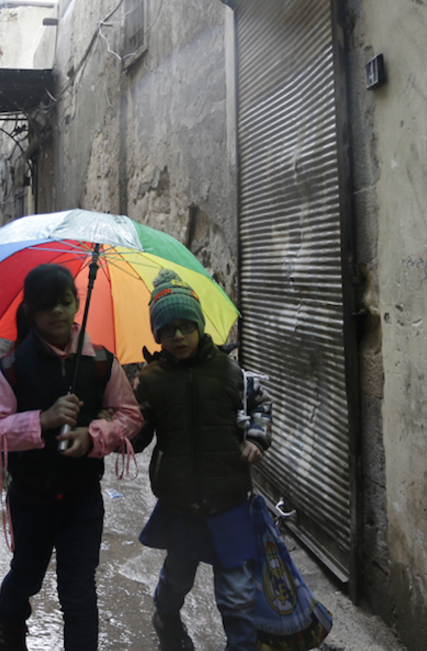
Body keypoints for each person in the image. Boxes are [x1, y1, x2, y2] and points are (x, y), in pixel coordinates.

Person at [0, 263, 144, 651]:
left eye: (65, 302)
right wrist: (43, 419)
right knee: (26, 577)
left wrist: (95, 435)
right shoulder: (12, 369)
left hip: (82, 498)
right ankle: (10, 628)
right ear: (31, 311)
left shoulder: (101, 362)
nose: (57, 312)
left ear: (76, 305)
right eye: (46, 305)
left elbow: (131, 415)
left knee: (78, 590)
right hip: (30, 496)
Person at [132, 268, 273, 651]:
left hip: (228, 499)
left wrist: (257, 439)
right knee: (177, 576)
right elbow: (139, 436)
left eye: (186, 326)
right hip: (178, 502)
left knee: (237, 592)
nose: (178, 336)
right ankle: (167, 619)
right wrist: (117, 422)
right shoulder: (150, 380)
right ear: (157, 335)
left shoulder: (231, 373)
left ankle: (241, 645)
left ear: (198, 325)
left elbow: (260, 405)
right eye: (168, 329)